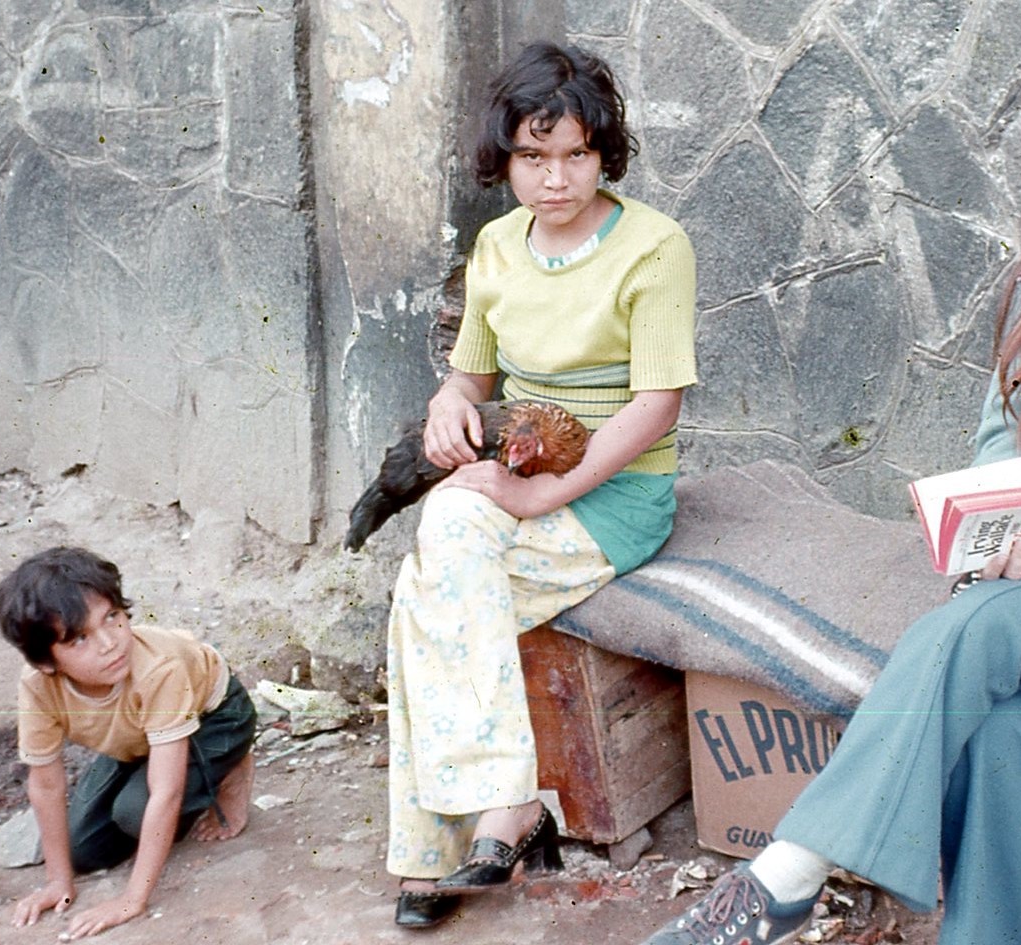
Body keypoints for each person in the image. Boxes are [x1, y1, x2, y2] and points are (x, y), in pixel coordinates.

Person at [637, 30, 1021, 945]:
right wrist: (1012, 521)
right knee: (1003, 742)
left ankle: (786, 874)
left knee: (979, 627)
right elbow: (1006, 442)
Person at [384, 41, 697, 929]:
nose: (555, 179)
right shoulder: (495, 247)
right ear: (504, 158)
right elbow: (471, 376)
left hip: (616, 493)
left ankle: (443, 846)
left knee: (430, 584)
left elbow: (657, 406)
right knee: (436, 573)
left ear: (603, 155)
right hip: (522, 465)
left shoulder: (653, 246)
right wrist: (450, 405)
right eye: (532, 156)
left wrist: (538, 499)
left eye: (575, 156)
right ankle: (501, 813)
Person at [0, 546, 256, 940]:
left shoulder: (157, 669)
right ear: (46, 662)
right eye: (80, 638)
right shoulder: (37, 686)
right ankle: (160, 758)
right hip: (136, 736)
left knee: (136, 811)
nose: (109, 643)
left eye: (112, 617)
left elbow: (165, 793)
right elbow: (46, 782)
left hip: (215, 717)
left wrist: (132, 900)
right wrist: (57, 882)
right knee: (82, 850)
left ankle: (234, 766)